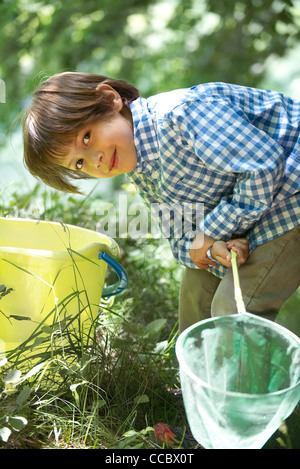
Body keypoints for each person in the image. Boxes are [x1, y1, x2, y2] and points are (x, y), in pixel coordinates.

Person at [22, 72, 300, 332]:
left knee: (234, 308)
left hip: (291, 192)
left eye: (87, 138)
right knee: (195, 293)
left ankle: (242, 384)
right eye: (80, 163)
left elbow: (264, 166)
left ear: (110, 99)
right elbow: (182, 239)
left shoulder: (181, 114)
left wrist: (211, 231)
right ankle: (198, 381)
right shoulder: (141, 170)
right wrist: (215, 246)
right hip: (258, 209)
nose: (96, 160)